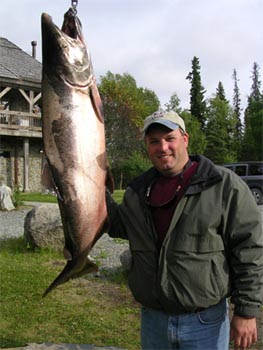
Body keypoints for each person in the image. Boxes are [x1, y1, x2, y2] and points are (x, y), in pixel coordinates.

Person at [105, 110, 263, 350]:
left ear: (185, 139)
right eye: (154, 141)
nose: (163, 147)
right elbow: (116, 225)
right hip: (153, 319)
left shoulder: (223, 185)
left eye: (170, 138)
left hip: (205, 321)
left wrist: (247, 311)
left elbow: (249, 248)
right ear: (147, 146)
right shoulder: (137, 192)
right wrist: (87, 185)